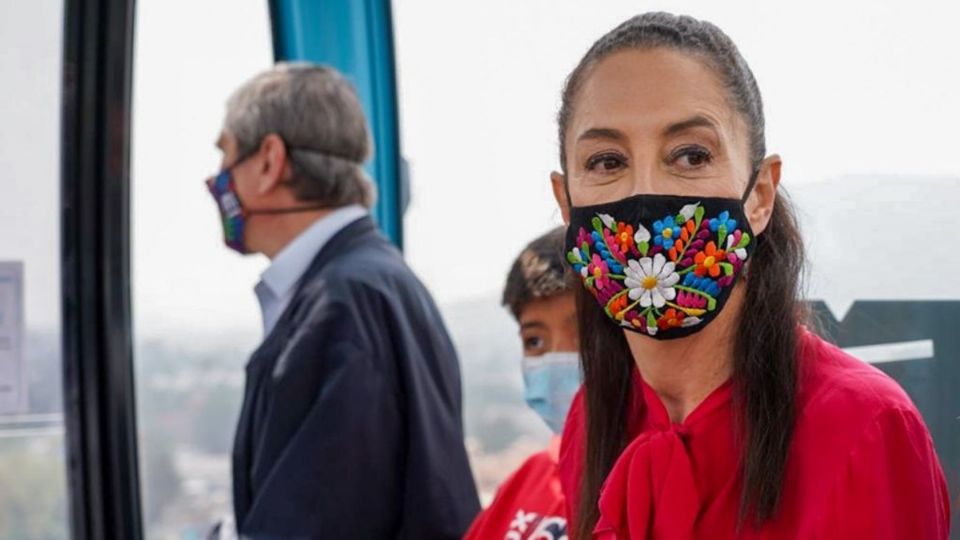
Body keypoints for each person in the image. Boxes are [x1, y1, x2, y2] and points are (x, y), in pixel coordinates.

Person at [549, 13, 950, 540]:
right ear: (565, 201)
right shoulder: (593, 420)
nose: (643, 195)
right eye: (606, 161)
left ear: (760, 195)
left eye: (691, 155)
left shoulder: (864, 427)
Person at [205, 62, 479, 538]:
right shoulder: (373, 282)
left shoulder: (343, 306)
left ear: (270, 161)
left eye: (227, 156)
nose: (218, 180)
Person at [464, 227, 579, 540]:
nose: (557, 357)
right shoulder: (528, 479)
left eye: (582, 335)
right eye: (535, 340)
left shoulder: (650, 486)